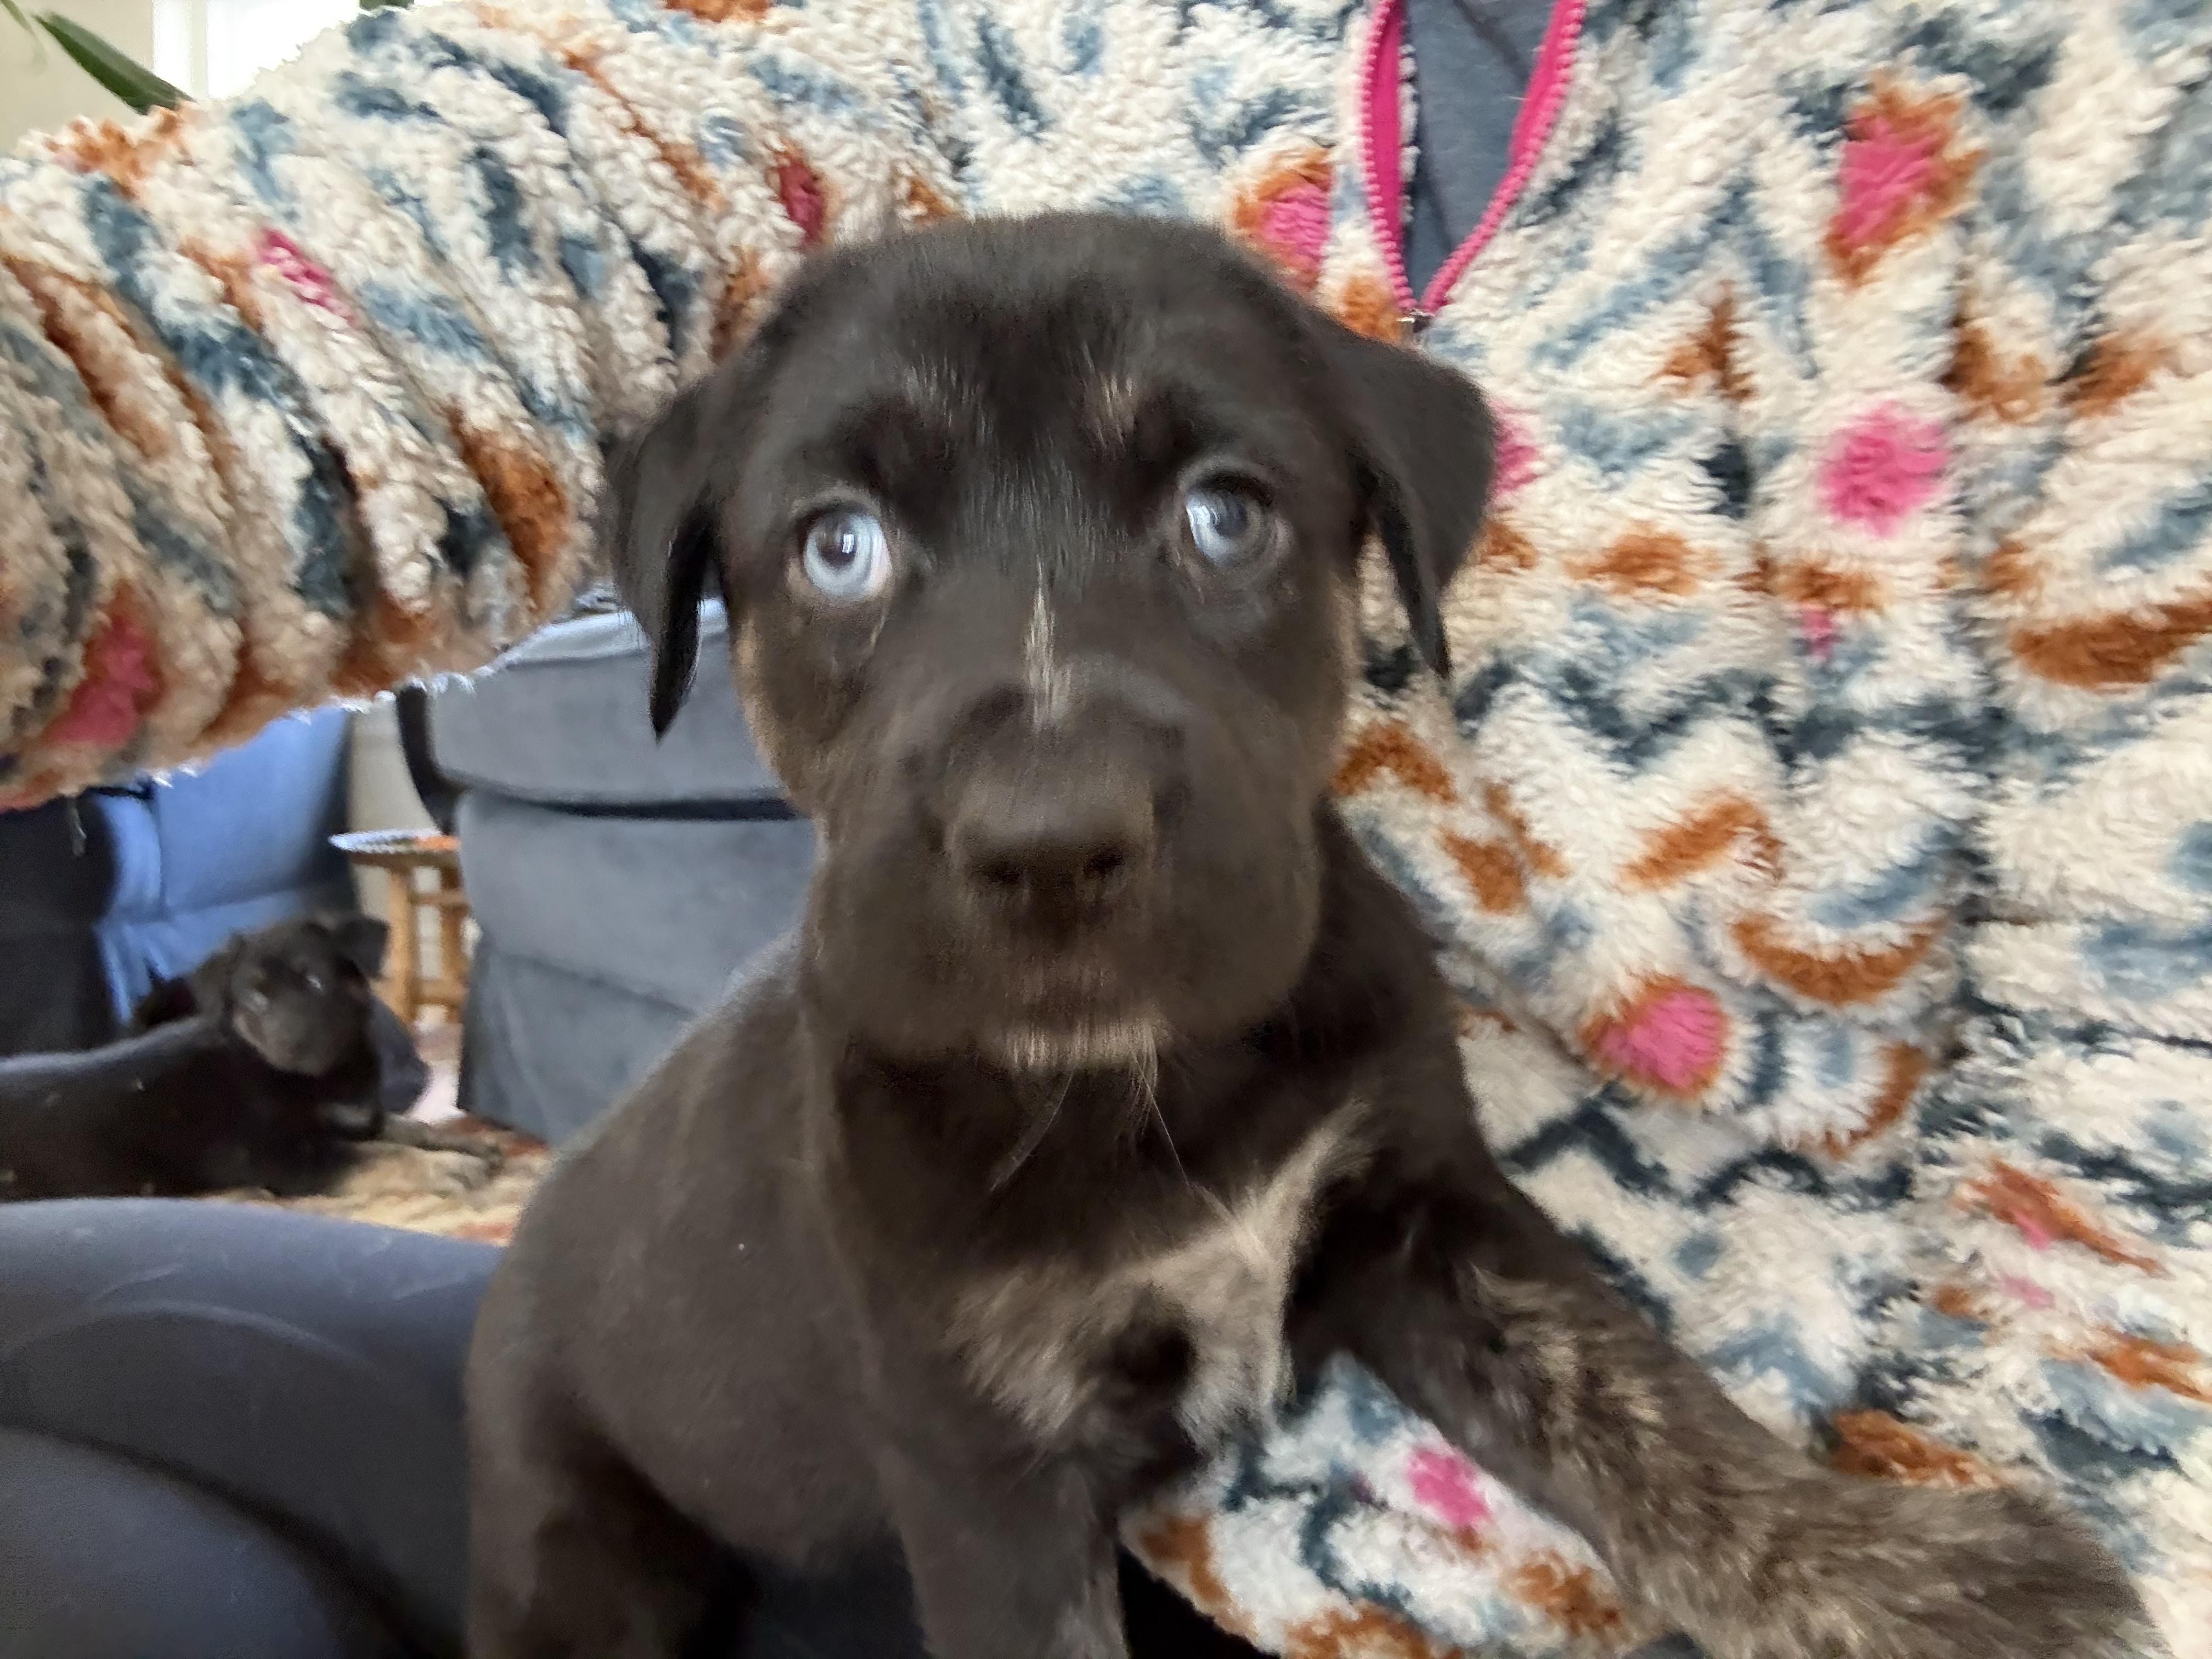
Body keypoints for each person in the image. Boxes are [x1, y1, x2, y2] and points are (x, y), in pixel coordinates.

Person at [2, 0, 2207, 1654]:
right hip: (658, 1466)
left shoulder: (2072, 100)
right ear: (721, 598)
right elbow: (438, 227)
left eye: (1223, 511)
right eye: (843, 547)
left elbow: (1465, 1247)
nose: (1048, 768)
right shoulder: (979, 27)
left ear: (1381, 550)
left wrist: (1812, 1556)